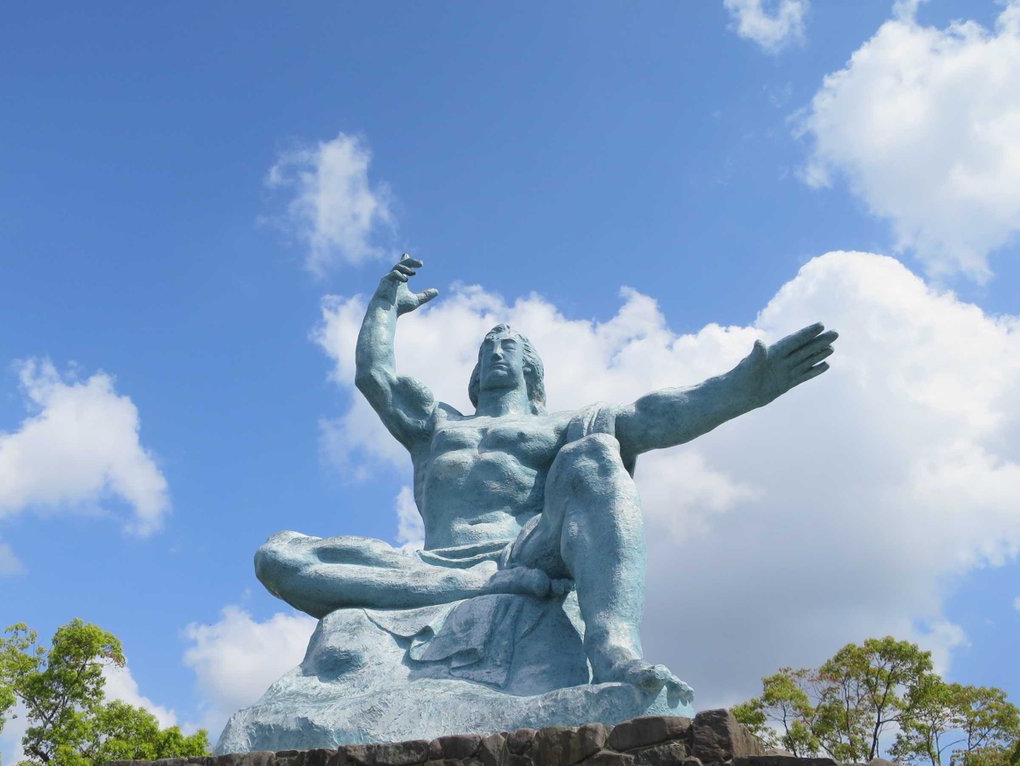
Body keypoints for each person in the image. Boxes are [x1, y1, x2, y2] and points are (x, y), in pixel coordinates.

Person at [256, 255, 836, 695]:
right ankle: (476, 588)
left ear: (531, 369)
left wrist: (740, 389)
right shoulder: (435, 428)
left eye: (510, 345)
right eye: (487, 347)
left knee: (595, 456)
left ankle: (613, 649)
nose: (497, 352)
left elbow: (657, 413)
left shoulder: (565, 425)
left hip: (524, 556)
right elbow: (375, 376)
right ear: (475, 373)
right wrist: (386, 303)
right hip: (432, 564)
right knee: (279, 557)